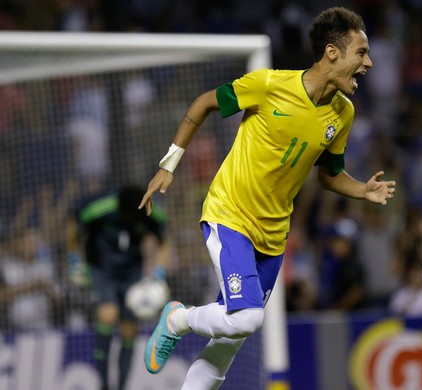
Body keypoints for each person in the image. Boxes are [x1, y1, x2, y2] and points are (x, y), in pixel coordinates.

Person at [138, 7, 396, 389]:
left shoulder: (343, 113)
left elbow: (328, 175)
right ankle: (178, 319)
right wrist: (169, 164)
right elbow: (205, 103)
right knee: (247, 318)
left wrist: (362, 189)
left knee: (231, 339)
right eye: (361, 53)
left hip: (274, 235)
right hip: (230, 214)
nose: (369, 63)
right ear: (331, 53)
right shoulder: (269, 85)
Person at [67, 185, 168, 390]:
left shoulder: (150, 211)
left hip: (131, 270)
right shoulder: (98, 209)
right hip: (101, 267)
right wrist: (73, 259)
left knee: (129, 330)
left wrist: (159, 274)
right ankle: (103, 383)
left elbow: (163, 241)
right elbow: (73, 225)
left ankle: (122, 386)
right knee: (108, 314)